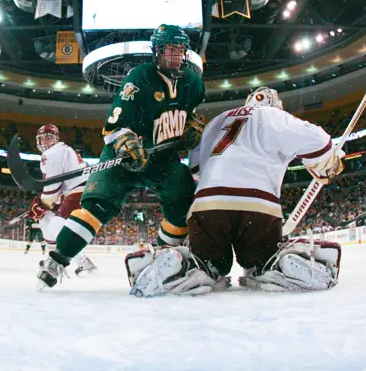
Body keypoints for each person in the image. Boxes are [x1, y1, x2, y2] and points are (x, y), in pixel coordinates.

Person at [126, 86, 344, 297]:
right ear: (276, 105)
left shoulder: (217, 121)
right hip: (259, 205)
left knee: (209, 263)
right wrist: (326, 162)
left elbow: (196, 169)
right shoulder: (274, 116)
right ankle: (278, 266)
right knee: (261, 260)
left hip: (208, 205)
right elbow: (318, 141)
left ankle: (183, 265)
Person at [39, 24, 205, 288]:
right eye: (170, 49)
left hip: (163, 158)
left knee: (182, 204)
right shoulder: (139, 77)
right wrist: (126, 141)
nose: (175, 55)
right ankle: (57, 260)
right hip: (123, 158)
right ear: (157, 51)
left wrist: (190, 128)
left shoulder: (194, 83)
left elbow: (188, 116)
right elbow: (114, 124)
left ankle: (163, 257)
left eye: (180, 49)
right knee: (96, 207)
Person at [29, 124, 97, 277]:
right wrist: (42, 207)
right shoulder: (61, 150)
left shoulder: (52, 153)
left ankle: (82, 261)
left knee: (56, 223)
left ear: (56, 138)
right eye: (42, 138)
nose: (45, 142)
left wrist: (40, 204)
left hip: (80, 190)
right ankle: (54, 258)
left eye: (49, 137)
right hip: (76, 191)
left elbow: (51, 191)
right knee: (46, 219)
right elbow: (56, 191)